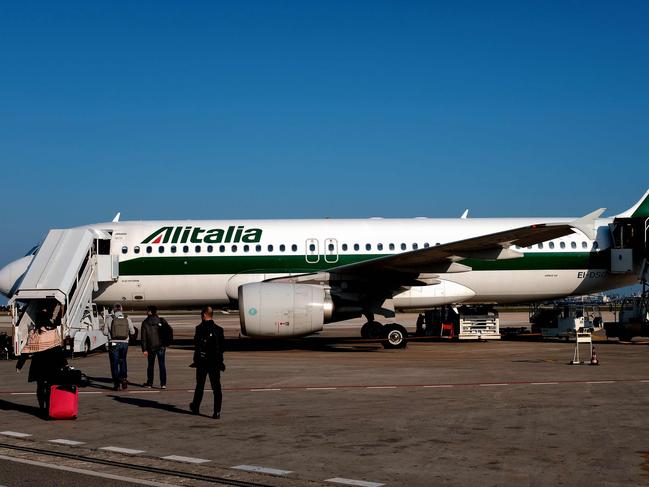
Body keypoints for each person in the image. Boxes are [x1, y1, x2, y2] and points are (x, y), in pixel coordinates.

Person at [16, 307, 67, 415]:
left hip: (38, 364)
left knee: (40, 387)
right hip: (52, 364)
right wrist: (64, 363)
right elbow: (58, 349)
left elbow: (26, 350)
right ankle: (49, 408)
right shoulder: (53, 332)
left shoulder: (34, 334)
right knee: (50, 387)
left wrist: (19, 365)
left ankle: (42, 408)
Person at [189, 306, 225, 419]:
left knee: (200, 386)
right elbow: (222, 347)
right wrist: (220, 361)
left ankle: (195, 407)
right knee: (216, 388)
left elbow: (196, 344)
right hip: (215, 362)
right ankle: (217, 411)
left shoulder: (199, 328)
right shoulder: (219, 329)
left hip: (203, 362)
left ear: (204, 315)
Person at [103, 303, 136, 390]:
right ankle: (124, 378)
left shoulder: (109, 318)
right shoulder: (127, 318)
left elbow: (105, 332)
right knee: (123, 360)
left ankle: (116, 384)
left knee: (114, 363)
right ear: (121, 309)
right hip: (124, 343)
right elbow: (132, 332)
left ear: (114, 310)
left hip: (113, 342)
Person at [140, 305, 168, 389]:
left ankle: (150, 383)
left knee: (151, 365)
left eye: (147, 310)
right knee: (162, 365)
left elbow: (143, 338)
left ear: (150, 312)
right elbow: (166, 333)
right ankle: (163, 384)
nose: (146, 312)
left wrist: (144, 349)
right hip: (161, 346)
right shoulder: (162, 321)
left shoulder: (145, 322)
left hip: (150, 347)